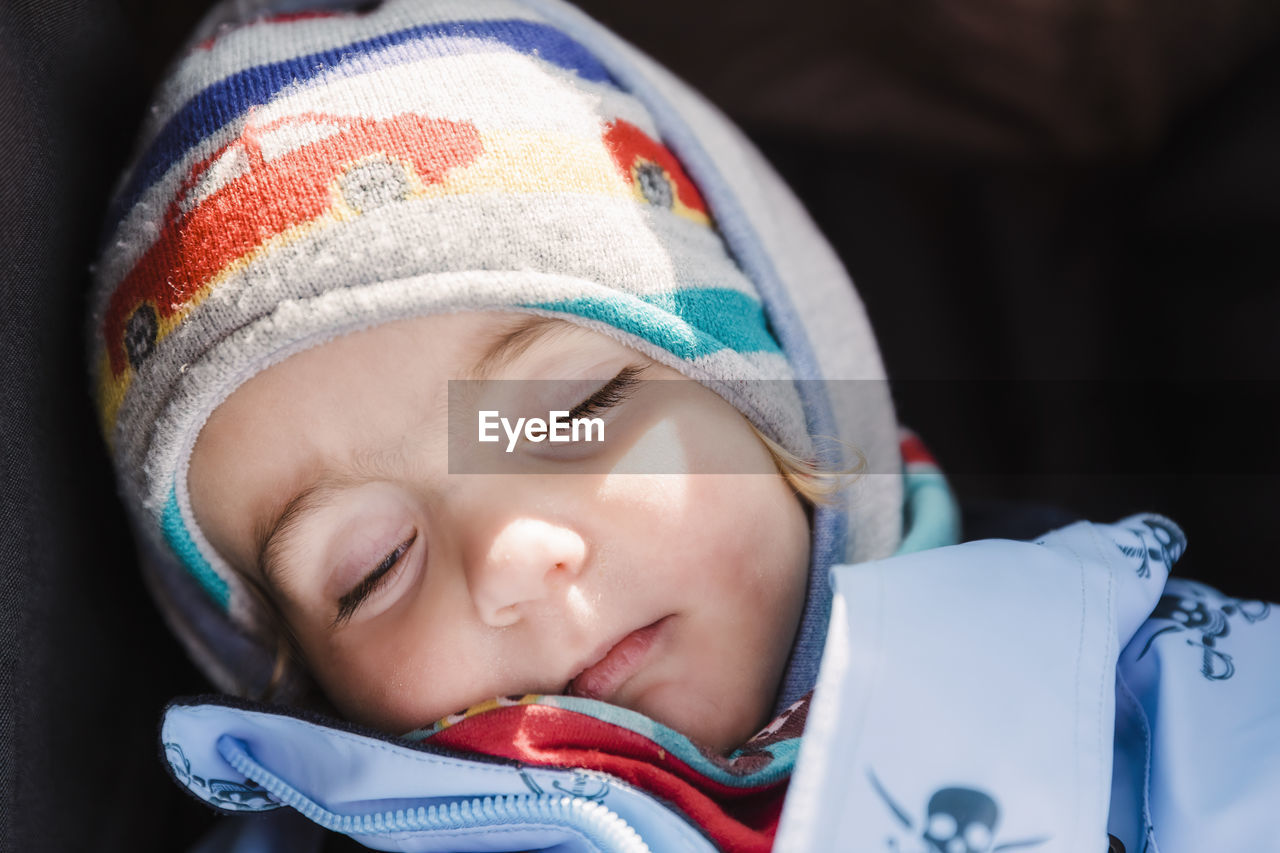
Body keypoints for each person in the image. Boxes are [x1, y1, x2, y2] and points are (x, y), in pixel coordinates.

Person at [90, 0, 1280, 850]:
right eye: (369, 567)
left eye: (570, 413)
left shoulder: (1132, 675)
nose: (513, 556)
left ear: (774, 392)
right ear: (296, 680)